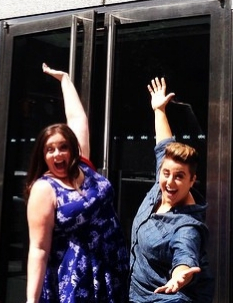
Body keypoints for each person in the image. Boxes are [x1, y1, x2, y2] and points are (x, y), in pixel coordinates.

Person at [24, 63, 128, 303]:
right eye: (50, 150)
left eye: (63, 147)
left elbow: (78, 119)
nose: (57, 154)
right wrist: (31, 300)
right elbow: (38, 249)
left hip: (111, 267)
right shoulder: (44, 188)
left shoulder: (83, 166)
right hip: (77, 278)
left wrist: (65, 81)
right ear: (42, 155)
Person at [130, 77, 214, 302]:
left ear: (192, 180)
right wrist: (159, 110)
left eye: (179, 177)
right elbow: (164, 145)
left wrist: (180, 275)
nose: (169, 182)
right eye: (166, 173)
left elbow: (185, 254)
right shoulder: (163, 182)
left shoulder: (187, 226)